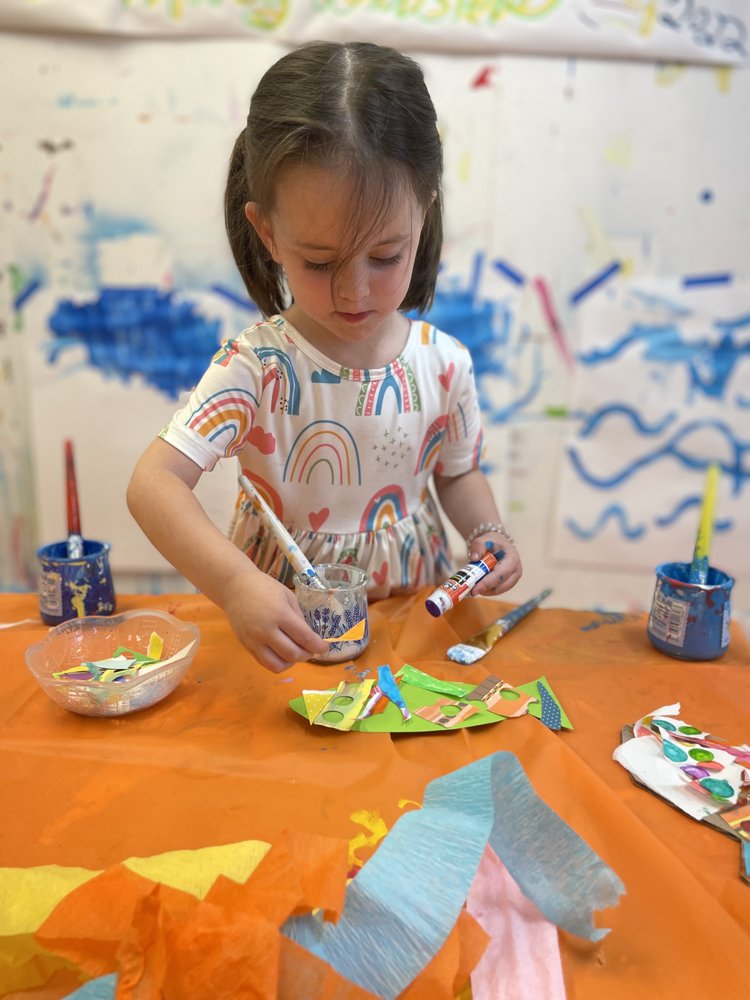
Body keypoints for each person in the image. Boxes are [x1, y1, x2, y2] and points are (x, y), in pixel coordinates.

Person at [127, 40, 522, 672]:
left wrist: (487, 536)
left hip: (413, 622)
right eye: (320, 261)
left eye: (385, 255)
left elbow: (455, 473)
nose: (354, 290)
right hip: (284, 632)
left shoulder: (446, 365)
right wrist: (234, 587)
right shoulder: (256, 368)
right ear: (267, 232)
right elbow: (153, 484)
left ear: (425, 213)